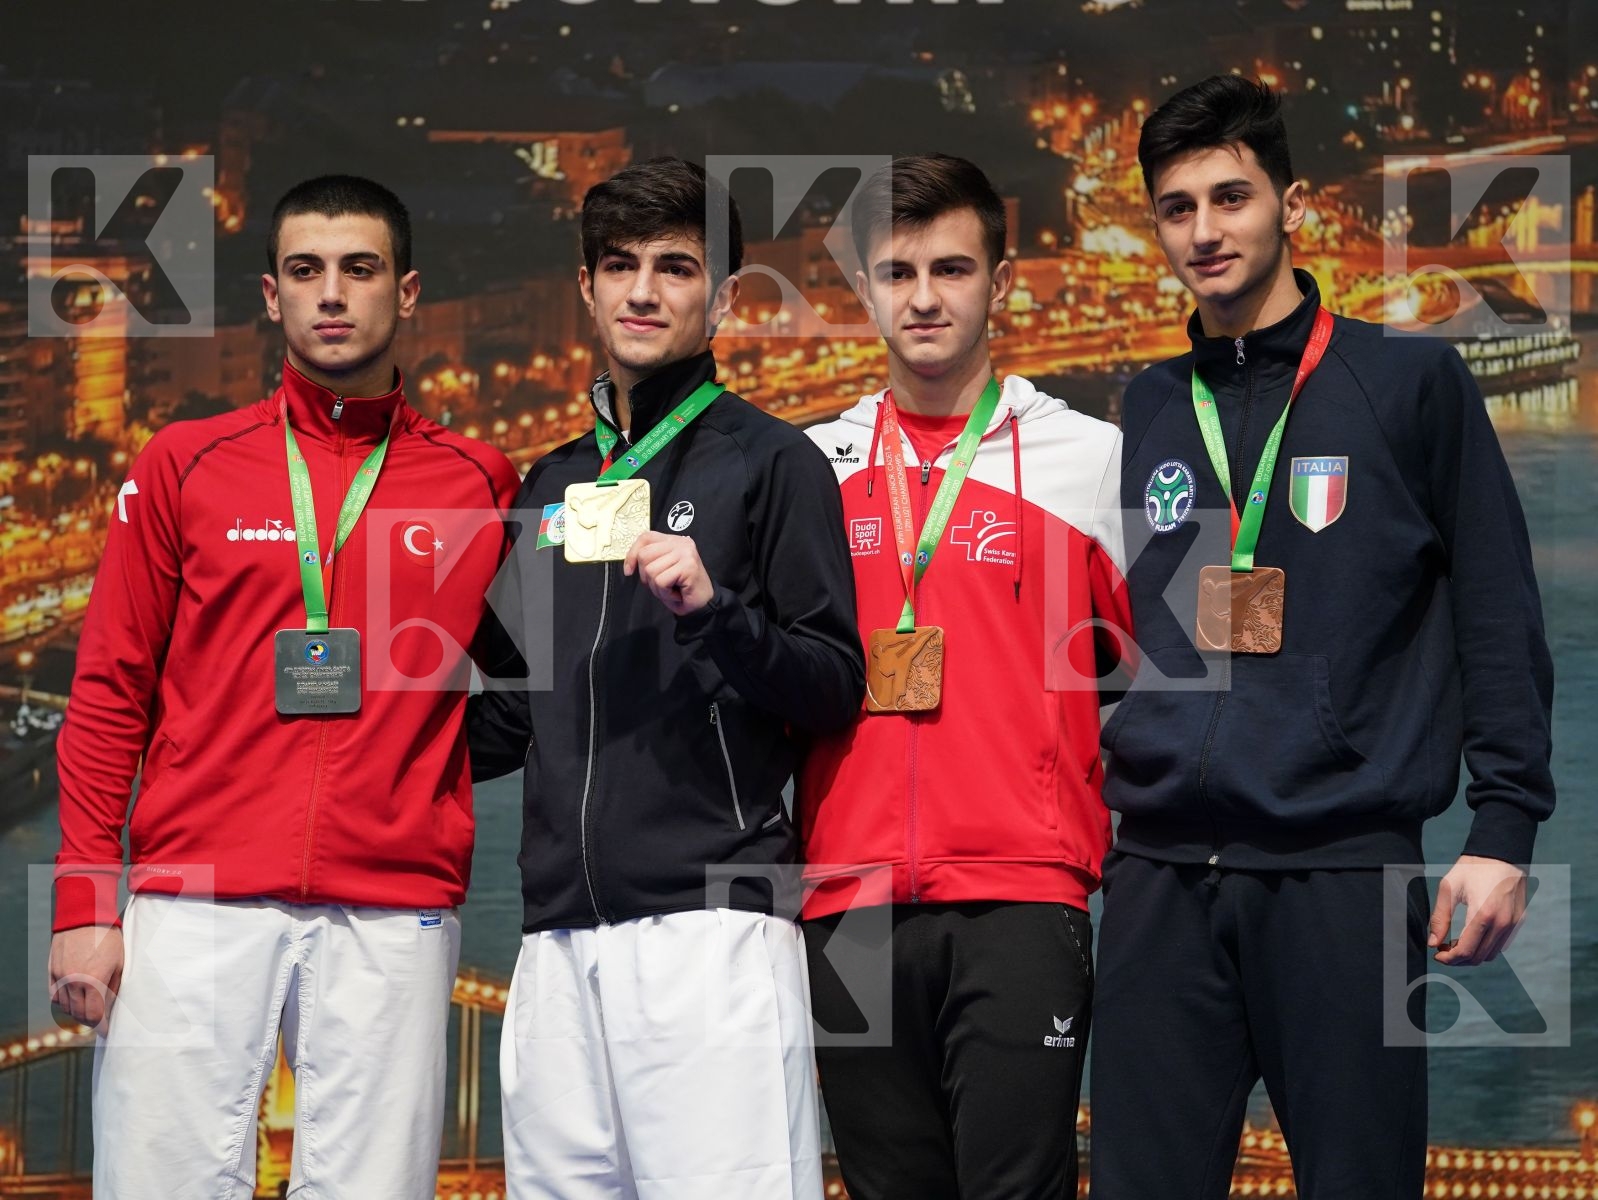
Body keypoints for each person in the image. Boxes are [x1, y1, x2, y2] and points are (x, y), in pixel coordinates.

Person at [1091, 76, 1555, 1198]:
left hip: (1339, 871)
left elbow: (1494, 609)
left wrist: (1503, 829)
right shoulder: (1147, 400)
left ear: (1288, 202)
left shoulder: (1407, 384)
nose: (1202, 231)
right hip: (1156, 879)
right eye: (1175, 207)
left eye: (1229, 196)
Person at [48, 175, 521, 1199]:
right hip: (196, 899)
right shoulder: (184, 465)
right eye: (306, 271)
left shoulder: (479, 482)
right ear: (272, 296)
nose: (332, 294)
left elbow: (527, 693)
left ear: (407, 292)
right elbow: (106, 691)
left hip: (394, 910)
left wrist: (414, 781)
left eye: (359, 269)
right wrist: (87, 897)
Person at [468, 156, 864, 1200]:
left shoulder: (773, 464)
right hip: (555, 944)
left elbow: (831, 685)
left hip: (711, 931)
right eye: (619, 265)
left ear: (722, 298)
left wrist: (715, 615)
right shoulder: (549, 483)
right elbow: (499, 727)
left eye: (675, 267)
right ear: (587, 288)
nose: (643, 290)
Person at [798, 153, 1131, 1199]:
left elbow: (1166, 685)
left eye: (951, 268)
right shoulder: (806, 468)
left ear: (1001, 280)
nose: (925, 297)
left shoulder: (1093, 460)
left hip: (1023, 898)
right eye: (897, 272)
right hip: (841, 900)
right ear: (863, 289)